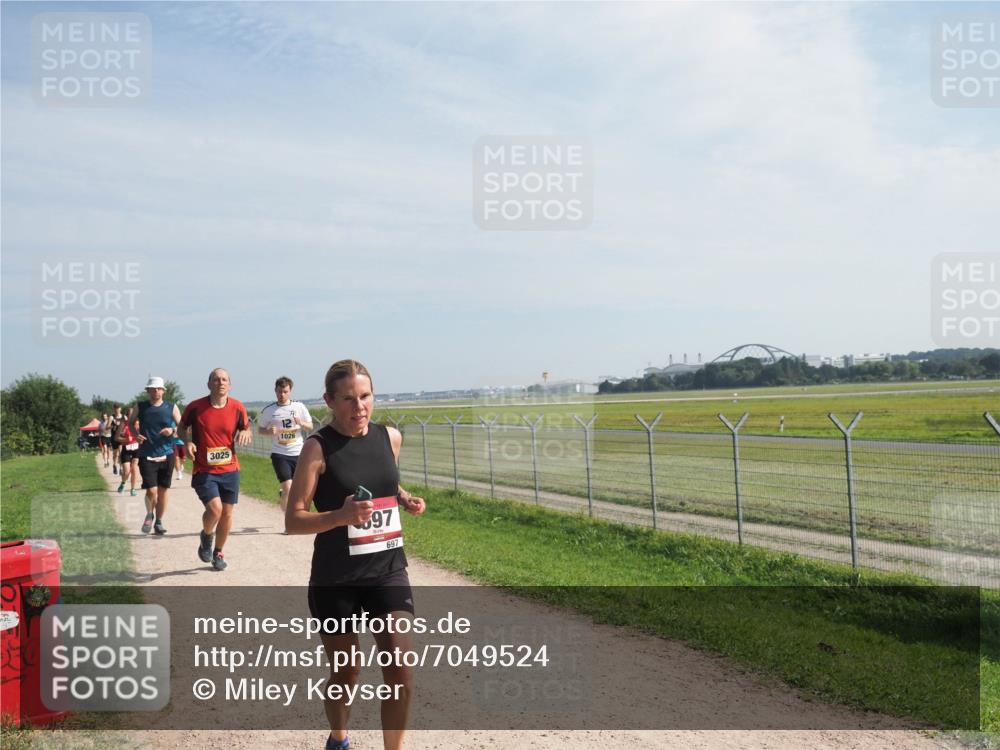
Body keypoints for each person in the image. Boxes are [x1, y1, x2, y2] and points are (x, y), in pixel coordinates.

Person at [286, 359, 425, 750]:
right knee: (347, 673)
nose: (359, 406)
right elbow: (294, 520)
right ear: (330, 400)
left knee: (400, 668)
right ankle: (339, 737)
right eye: (348, 398)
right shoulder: (317, 447)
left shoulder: (389, 437)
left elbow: (384, 482)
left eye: (365, 396)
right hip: (336, 579)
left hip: (387, 569)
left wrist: (404, 498)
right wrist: (341, 516)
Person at [178, 368, 252, 572]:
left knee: (227, 514)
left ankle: (218, 552)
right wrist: (188, 443)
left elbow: (246, 427)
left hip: (230, 468)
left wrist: (246, 432)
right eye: (216, 379)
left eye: (224, 379)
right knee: (215, 509)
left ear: (230, 384)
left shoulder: (237, 407)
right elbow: (181, 428)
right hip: (204, 469)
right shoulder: (195, 407)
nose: (220, 382)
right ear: (209, 384)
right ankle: (206, 535)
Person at [258, 376, 313, 533]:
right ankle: (290, 524)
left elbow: (310, 426)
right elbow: (260, 429)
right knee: (289, 488)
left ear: (290, 391)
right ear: (275, 391)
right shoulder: (269, 410)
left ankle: (295, 510)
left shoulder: (299, 407)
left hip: (298, 452)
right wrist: (268, 431)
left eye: (285, 391)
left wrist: (301, 423)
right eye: (279, 391)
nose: (282, 394)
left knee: (300, 489)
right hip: (279, 453)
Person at [129, 377, 182, 536]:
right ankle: (149, 514)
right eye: (152, 389)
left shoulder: (171, 407)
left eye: (159, 389)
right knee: (152, 491)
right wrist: (135, 435)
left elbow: (182, 426)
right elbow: (131, 423)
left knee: (163, 491)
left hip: (167, 453)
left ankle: (158, 521)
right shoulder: (140, 406)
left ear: (163, 391)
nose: (156, 391)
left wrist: (172, 431)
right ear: (148, 391)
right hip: (146, 453)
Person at [116, 413, 141, 497]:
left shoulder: (139, 423)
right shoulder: (124, 425)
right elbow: (117, 438)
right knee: (127, 471)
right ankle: (123, 483)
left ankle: (133, 489)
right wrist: (125, 439)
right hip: (126, 449)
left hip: (136, 449)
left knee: (134, 469)